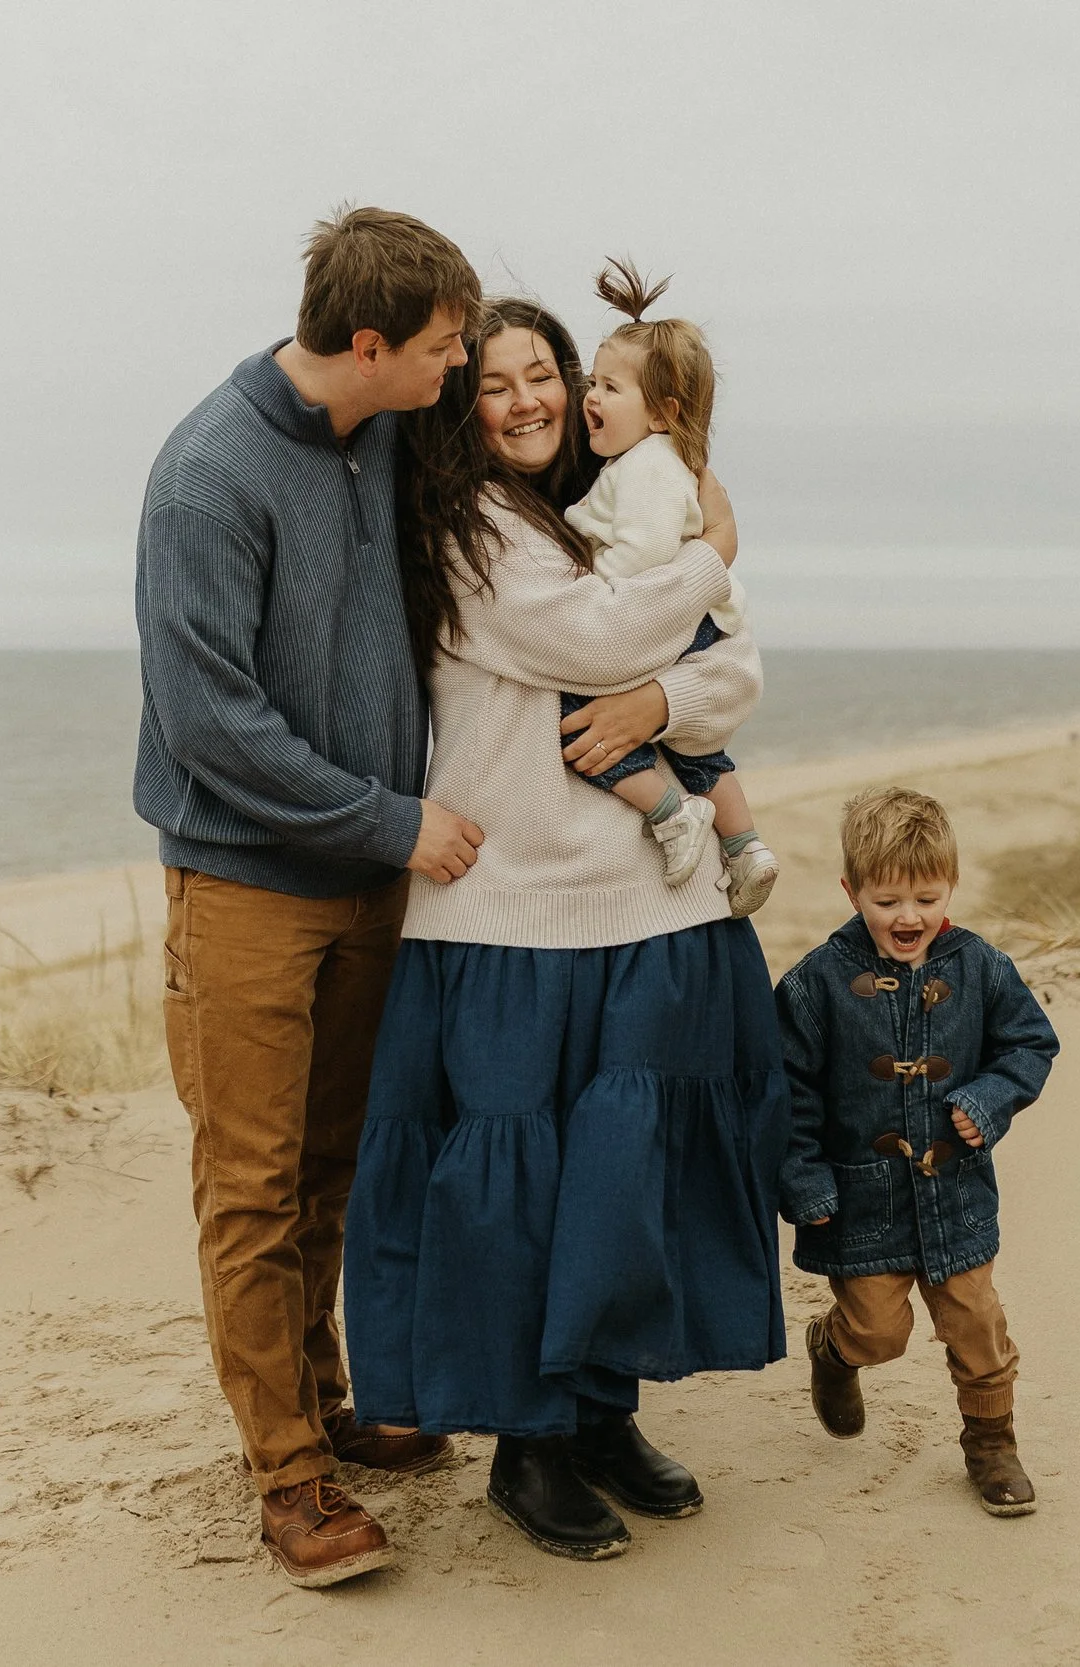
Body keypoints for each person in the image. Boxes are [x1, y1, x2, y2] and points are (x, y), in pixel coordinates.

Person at [343, 297, 788, 1562]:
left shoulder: (613, 512)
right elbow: (581, 633)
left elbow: (732, 673)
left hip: (650, 903)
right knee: (517, 1194)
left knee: (621, 1183)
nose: (532, 399)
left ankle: (600, 1412)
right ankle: (526, 1448)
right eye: (498, 382)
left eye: (549, 375)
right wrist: (710, 556)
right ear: (460, 404)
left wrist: (657, 686)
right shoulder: (466, 525)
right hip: (508, 908)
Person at [134, 207, 492, 1590]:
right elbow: (208, 720)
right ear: (367, 344)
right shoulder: (206, 479)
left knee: (333, 1166)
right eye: (445, 348)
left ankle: (325, 1398)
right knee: (250, 1184)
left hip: (370, 887)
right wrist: (394, 820)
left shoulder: (383, 433)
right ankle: (287, 1474)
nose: (457, 368)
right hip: (246, 889)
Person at [775, 787, 1061, 1516]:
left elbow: (1031, 1042)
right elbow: (788, 1094)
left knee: (977, 1322)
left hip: (956, 1192)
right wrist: (803, 1181)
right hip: (862, 1200)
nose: (909, 917)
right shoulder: (816, 984)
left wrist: (987, 1100)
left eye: (927, 897)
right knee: (879, 1332)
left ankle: (992, 1442)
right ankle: (833, 1351)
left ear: (950, 888)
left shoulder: (980, 967)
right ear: (852, 891)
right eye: (888, 899)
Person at [555, 259, 780, 915]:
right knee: (700, 745)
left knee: (577, 719)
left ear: (662, 413)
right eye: (592, 382)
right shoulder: (648, 460)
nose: (590, 397)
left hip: (671, 618)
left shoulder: (649, 467)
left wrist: (595, 588)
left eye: (611, 387)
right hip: (696, 620)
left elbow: (645, 553)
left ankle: (669, 809)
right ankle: (744, 844)